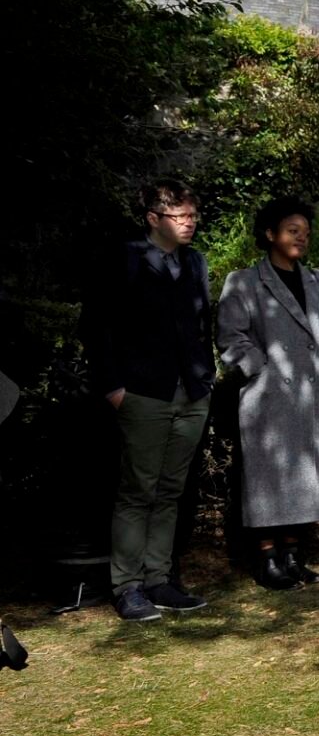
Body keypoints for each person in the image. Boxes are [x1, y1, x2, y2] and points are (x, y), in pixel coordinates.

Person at [82, 182, 218, 621]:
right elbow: (97, 327)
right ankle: (128, 586)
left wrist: (206, 376)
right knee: (137, 490)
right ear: (153, 218)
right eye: (180, 216)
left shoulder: (194, 262)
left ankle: (159, 579)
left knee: (170, 490)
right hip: (142, 392)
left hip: (191, 392)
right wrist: (114, 387)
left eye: (192, 215)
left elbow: (202, 324)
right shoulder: (124, 260)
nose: (189, 222)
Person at [216, 197, 319, 591]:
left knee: (307, 476)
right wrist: (257, 368)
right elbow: (230, 335)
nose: (301, 238)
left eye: (306, 233)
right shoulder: (244, 282)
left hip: (317, 394)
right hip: (269, 396)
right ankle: (267, 558)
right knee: (269, 477)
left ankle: (293, 555)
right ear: (270, 234)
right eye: (293, 231)